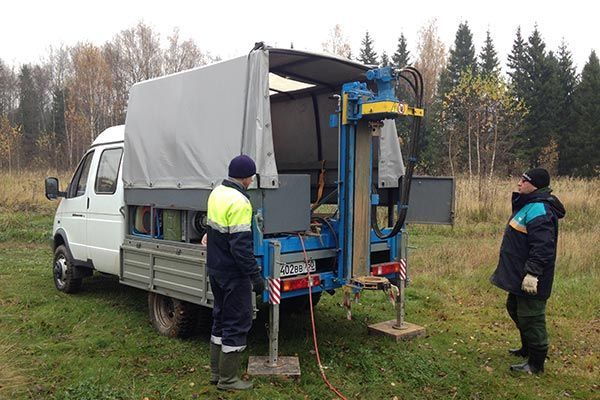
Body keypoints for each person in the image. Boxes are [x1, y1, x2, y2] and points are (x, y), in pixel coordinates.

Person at [490, 168, 565, 374]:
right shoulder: (528, 205)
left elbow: (543, 247)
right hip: (517, 274)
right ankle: (527, 348)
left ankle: (536, 364)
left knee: (532, 317)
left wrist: (532, 274)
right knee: (514, 307)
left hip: (531, 277)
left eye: (524, 180)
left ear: (535, 185)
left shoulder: (540, 209)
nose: (519, 183)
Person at [206, 154, 264, 391]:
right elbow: (240, 247)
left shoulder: (216, 193)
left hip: (216, 268)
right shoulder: (240, 202)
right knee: (237, 322)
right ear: (247, 177)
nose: (251, 182)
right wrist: (255, 276)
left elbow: (214, 232)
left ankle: (216, 373)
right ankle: (229, 380)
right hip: (233, 273)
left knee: (219, 319)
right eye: (251, 177)